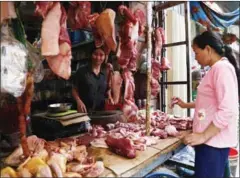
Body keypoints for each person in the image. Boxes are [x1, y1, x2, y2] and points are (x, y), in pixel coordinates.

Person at [174, 31, 239, 178]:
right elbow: (207, 102)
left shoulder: (221, 69)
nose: (195, 58)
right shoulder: (215, 69)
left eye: (196, 53)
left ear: (208, 49)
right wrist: (185, 105)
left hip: (213, 144)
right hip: (210, 143)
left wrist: (203, 135)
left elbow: (228, 110)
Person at [72, 47, 109, 113]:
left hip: (101, 112)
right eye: (95, 54)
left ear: (105, 57)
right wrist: (79, 101)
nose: (98, 58)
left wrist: (110, 97)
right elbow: (74, 89)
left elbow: (107, 89)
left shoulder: (105, 73)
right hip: (84, 111)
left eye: (101, 55)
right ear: (91, 55)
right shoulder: (81, 71)